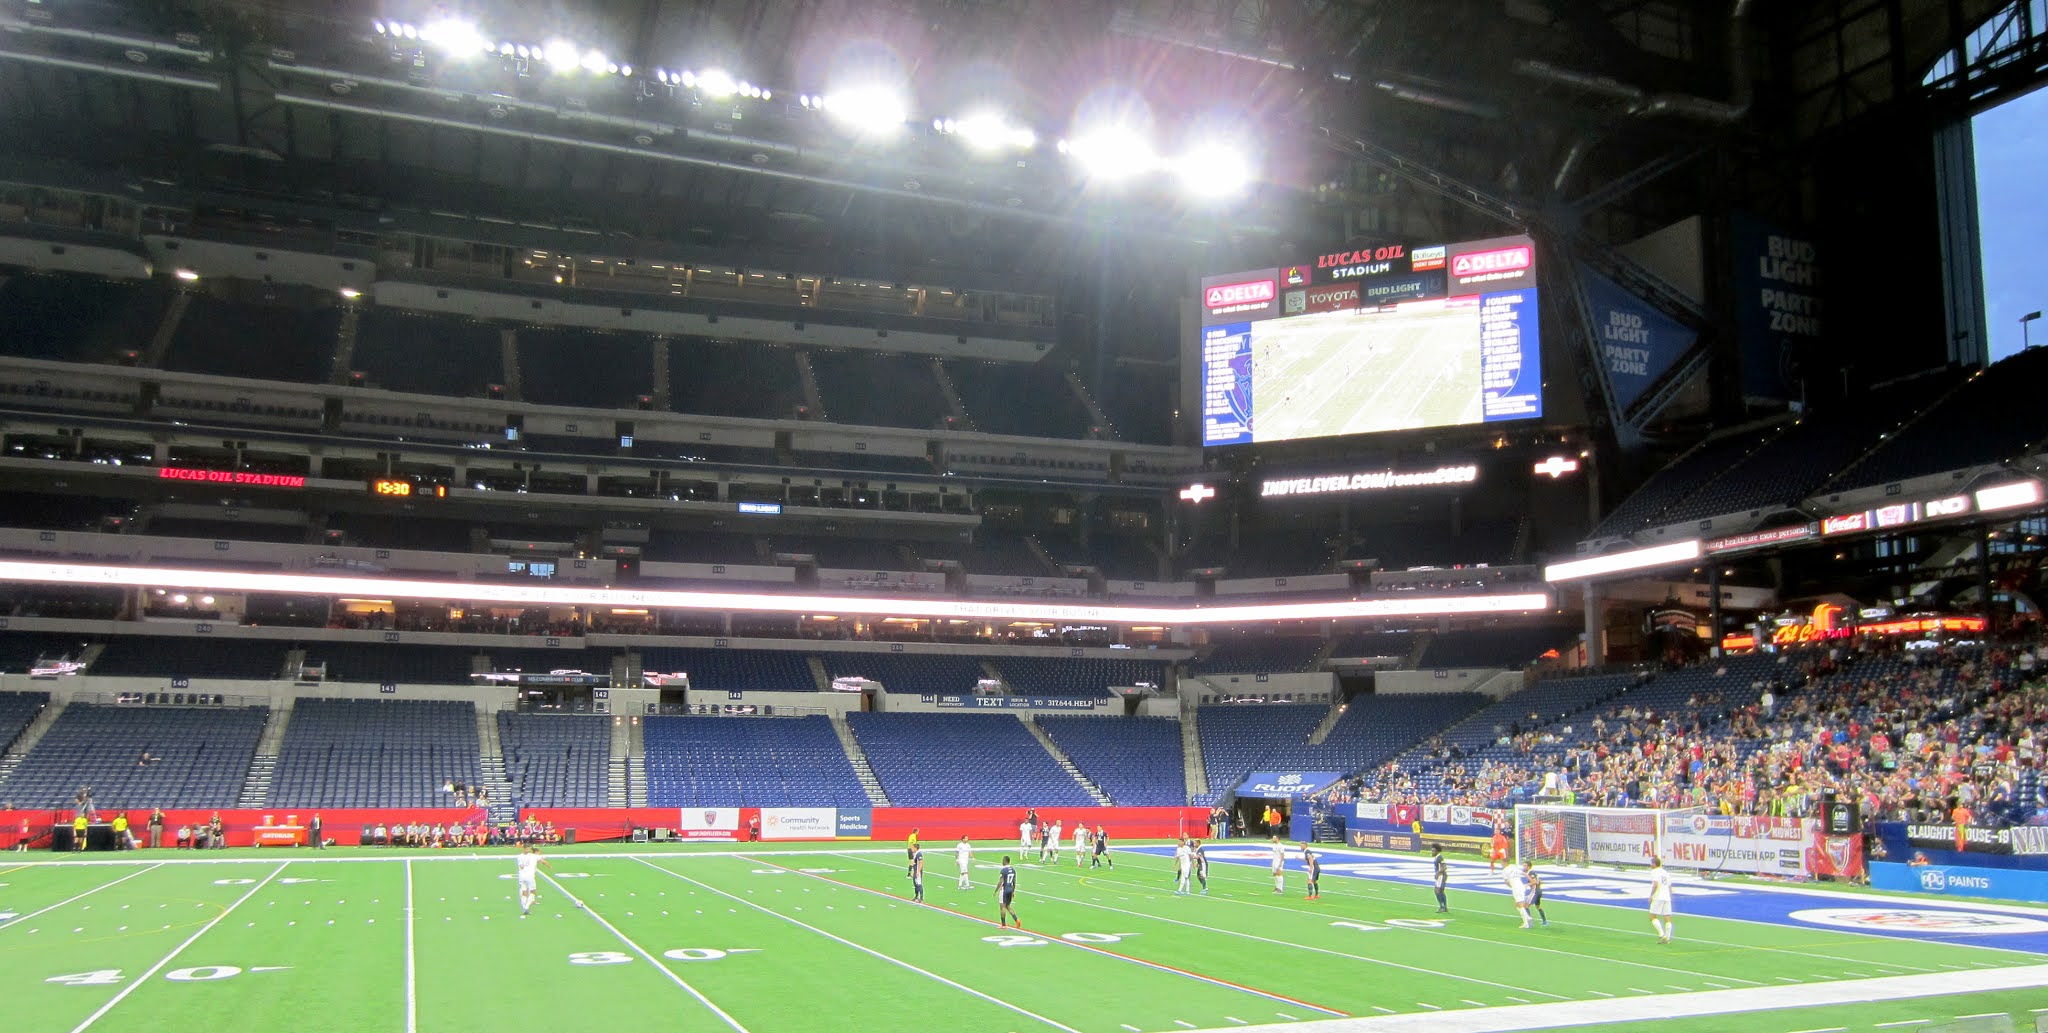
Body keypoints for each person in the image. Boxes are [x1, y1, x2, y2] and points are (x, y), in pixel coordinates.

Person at [517, 844, 550, 917]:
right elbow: (543, 861)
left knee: (524, 892)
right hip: (530, 876)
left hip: (521, 876)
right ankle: (526, 907)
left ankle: (523, 907)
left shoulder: (519, 856)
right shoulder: (534, 856)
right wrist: (549, 866)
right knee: (533, 892)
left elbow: (521, 866)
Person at [1648, 857, 1675, 943]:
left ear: (1654, 864)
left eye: (1651, 863)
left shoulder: (1654, 872)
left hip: (1658, 896)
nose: (1650, 865)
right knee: (1667, 917)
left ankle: (1662, 935)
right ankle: (1667, 937)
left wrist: (1651, 895)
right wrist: (1669, 896)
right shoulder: (1666, 872)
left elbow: (1655, 884)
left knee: (1652, 916)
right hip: (1667, 897)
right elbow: (1670, 887)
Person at [1505, 860, 1532, 929]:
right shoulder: (1515, 870)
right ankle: (1527, 918)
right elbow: (1525, 874)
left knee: (1519, 905)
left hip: (1517, 888)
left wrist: (1511, 886)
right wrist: (1531, 880)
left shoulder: (1506, 872)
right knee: (1518, 905)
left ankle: (1527, 920)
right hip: (1521, 887)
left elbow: (1507, 882)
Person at [996, 855, 1020, 928]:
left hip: (1004, 889)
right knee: (1008, 906)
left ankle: (1003, 925)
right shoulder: (1013, 870)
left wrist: (996, 890)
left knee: (1002, 907)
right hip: (1010, 888)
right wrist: (1013, 891)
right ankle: (1016, 920)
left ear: (1005, 861)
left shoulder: (1003, 870)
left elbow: (1001, 881)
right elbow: (1014, 881)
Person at [1523, 862, 1549, 926]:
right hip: (1539, 891)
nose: (1523, 867)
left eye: (1525, 865)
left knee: (1526, 905)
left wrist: (1526, 885)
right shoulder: (1534, 873)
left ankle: (1529, 922)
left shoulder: (1530, 873)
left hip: (1535, 891)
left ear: (1529, 866)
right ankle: (1544, 921)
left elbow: (1534, 882)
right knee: (1538, 906)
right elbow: (1540, 881)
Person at [1431, 844, 1450, 913]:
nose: (1432, 852)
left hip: (1441, 876)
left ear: (1437, 851)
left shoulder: (1439, 857)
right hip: (1440, 876)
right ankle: (1444, 907)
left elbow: (1444, 867)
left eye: (1433, 850)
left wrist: (1438, 873)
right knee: (1439, 891)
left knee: (1437, 890)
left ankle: (1442, 907)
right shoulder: (1437, 857)